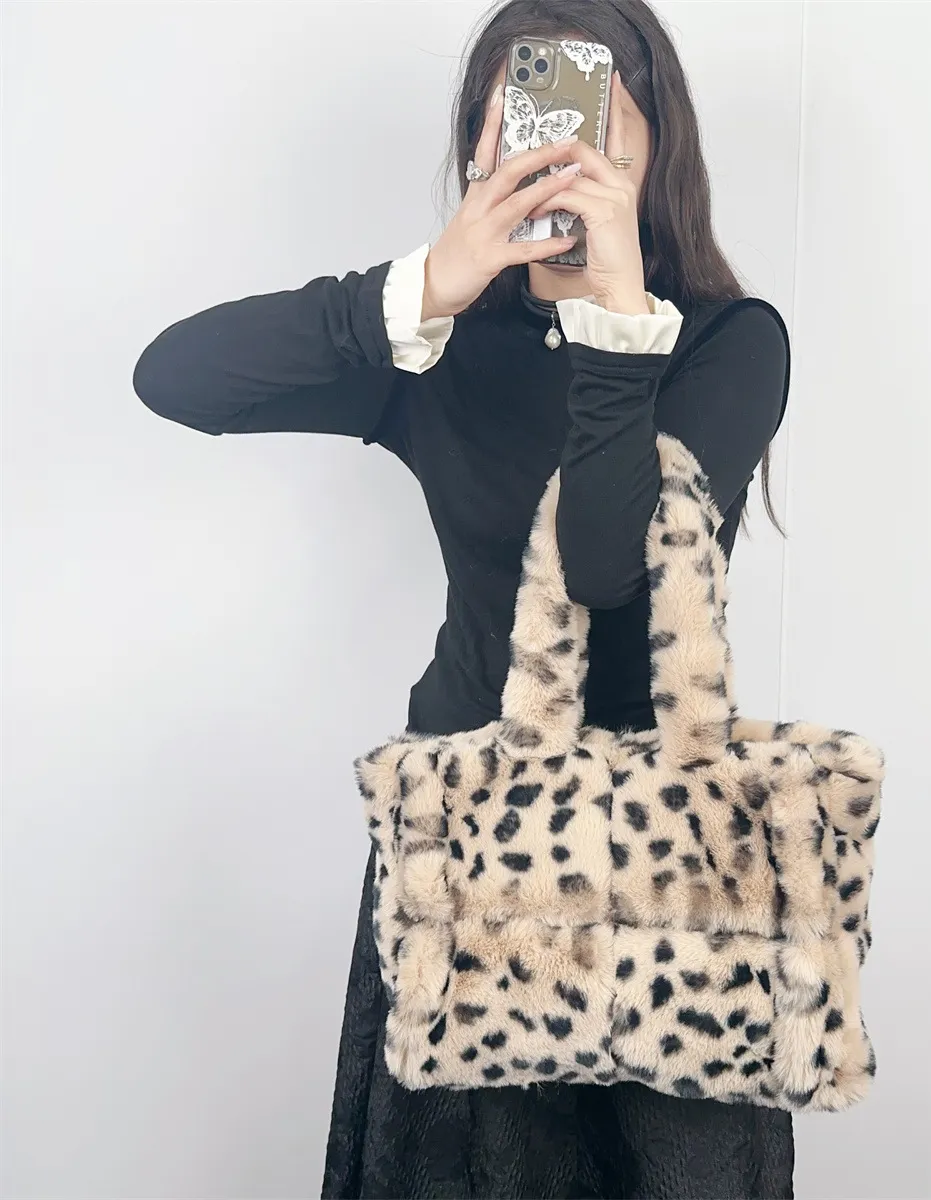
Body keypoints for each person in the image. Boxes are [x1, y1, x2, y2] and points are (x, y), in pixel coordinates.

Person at [133, 1, 793, 1196]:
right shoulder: (440, 343)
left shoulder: (723, 342)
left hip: (662, 867)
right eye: (528, 119)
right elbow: (177, 378)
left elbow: (603, 569)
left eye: (600, 124)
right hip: (465, 837)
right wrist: (423, 288)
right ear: (483, 144)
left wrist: (615, 323)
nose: (563, 153)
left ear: (656, 148)